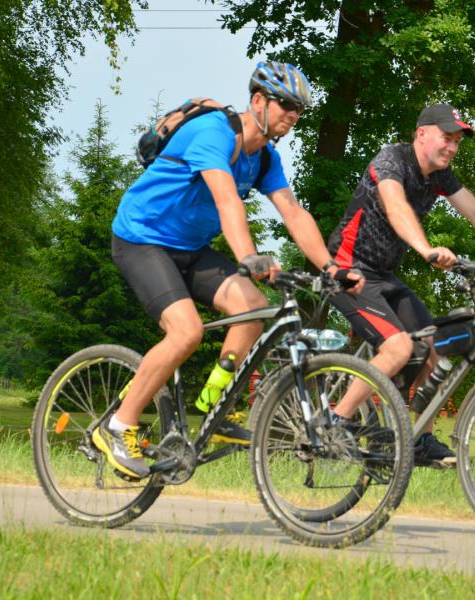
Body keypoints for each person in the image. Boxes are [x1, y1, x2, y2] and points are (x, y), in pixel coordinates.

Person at [95, 61, 364, 479]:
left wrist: (331, 267)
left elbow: (293, 212)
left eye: (299, 110)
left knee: (254, 309)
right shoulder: (213, 133)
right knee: (186, 332)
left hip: (190, 249)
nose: (293, 115)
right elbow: (226, 200)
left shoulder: (265, 158)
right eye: (286, 105)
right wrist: (249, 256)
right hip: (142, 240)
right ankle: (118, 426)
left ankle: (214, 407)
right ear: (257, 100)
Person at [327, 103, 475, 467]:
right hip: (348, 269)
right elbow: (395, 206)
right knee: (398, 347)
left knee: (434, 347)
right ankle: (335, 422)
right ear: (421, 134)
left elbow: (474, 211)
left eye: (457, 142)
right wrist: (425, 248)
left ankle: (420, 440)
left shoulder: (440, 176)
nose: (452, 147)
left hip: (384, 275)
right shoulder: (392, 160)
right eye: (446, 138)